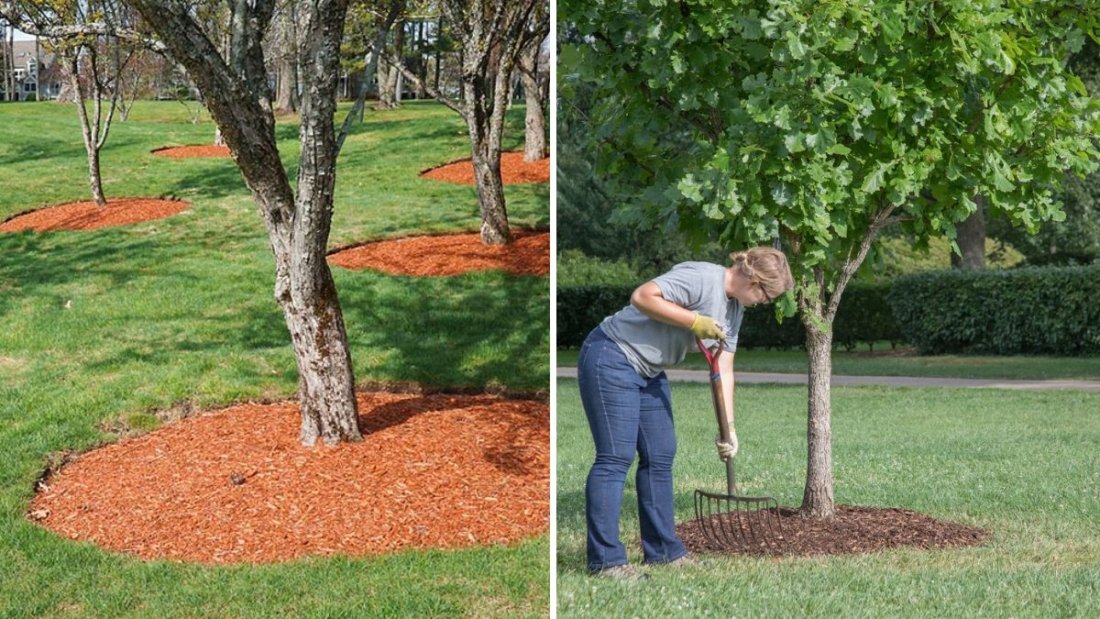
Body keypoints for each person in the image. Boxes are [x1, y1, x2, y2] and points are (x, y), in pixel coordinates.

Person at [577, 246, 795, 579]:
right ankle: (606, 561)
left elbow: (724, 366)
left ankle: (664, 552)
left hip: (649, 370)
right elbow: (643, 296)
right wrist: (695, 321)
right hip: (612, 355)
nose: (765, 303)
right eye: (767, 296)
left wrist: (729, 429)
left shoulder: (734, 310)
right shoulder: (701, 277)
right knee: (615, 457)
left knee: (660, 454)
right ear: (753, 279)